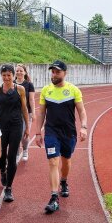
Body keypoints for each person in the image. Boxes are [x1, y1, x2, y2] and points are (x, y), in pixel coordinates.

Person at [35, 60, 87, 214]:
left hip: (69, 132)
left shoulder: (74, 90)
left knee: (66, 161)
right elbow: (41, 113)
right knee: (53, 161)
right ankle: (54, 197)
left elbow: (82, 111)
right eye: (52, 71)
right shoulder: (46, 90)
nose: (54, 74)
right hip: (51, 132)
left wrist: (83, 127)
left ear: (65, 73)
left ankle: (64, 181)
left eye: (57, 72)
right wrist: (38, 132)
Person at [0, 64, 29, 202]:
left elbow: (24, 109)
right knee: (0, 156)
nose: (6, 78)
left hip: (16, 126)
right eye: (4, 75)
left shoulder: (21, 89)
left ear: (13, 76)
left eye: (9, 75)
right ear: (1, 76)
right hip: (1, 127)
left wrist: (27, 127)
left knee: (12, 157)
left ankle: (9, 189)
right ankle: (2, 171)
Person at [14, 64, 36, 162]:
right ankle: (17, 151)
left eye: (21, 70)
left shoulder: (29, 84)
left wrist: (34, 113)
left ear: (25, 72)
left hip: (26, 113)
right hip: (14, 113)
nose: (19, 72)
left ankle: (25, 149)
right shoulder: (12, 83)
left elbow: (31, 100)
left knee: (24, 134)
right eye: (17, 70)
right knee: (15, 134)